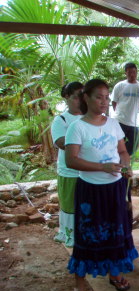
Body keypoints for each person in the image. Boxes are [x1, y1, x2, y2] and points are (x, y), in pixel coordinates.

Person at [65, 79, 138, 291]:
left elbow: (122, 151)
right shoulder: (77, 127)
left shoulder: (114, 124)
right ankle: (79, 287)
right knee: (87, 237)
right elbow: (71, 160)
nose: (105, 102)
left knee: (116, 232)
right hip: (90, 192)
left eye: (107, 97)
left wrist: (126, 166)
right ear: (86, 98)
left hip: (114, 188)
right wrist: (102, 167)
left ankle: (115, 274)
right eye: (99, 97)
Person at [51, 82, 83, 247]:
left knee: (85, 206)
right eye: (75, 97)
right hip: (69, 172)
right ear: (67, 98)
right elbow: (62, 143)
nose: (79, 100)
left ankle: (83, 235)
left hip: (88, 171)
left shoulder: (90, 117)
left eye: (82, 96)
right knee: (69, 206)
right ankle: (70, 236)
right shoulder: (61, 120)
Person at [111, 62, 139, 155]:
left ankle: (122, 160)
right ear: (125, 73)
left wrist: (133, 111)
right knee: (117, 144)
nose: (132, 74)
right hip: (119, 121)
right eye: (129, 72)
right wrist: (120, 113)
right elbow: (114, 101)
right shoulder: (120, 85)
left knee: (134, 144)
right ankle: (119, 163)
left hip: (133, 122)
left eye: (134, 72)